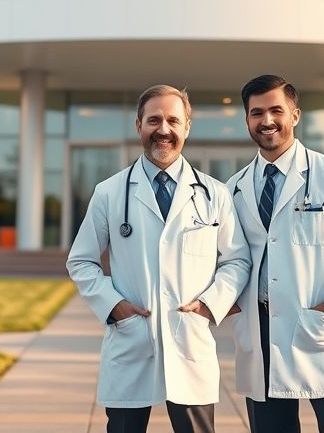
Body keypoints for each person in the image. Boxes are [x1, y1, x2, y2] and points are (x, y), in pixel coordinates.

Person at [67, 84, 251, 433]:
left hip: (189, 337)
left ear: (187, 127)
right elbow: (81, 261)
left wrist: (210, 305)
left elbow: (237, 260)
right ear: (138, 126)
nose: (163, 130)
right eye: (154, 120)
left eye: (173, 120)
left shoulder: (215, 193)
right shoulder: (109, 192)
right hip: (132, 336)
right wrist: (114, 305)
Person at [225, 74, 324, 433]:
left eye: (276, 110)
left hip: (318, 322)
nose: (266, 120)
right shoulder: (233, 187)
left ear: (295, 115)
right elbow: (228, 257)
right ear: (247, 119)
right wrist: (235, 308)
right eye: (256, 113)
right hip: (260, 326)